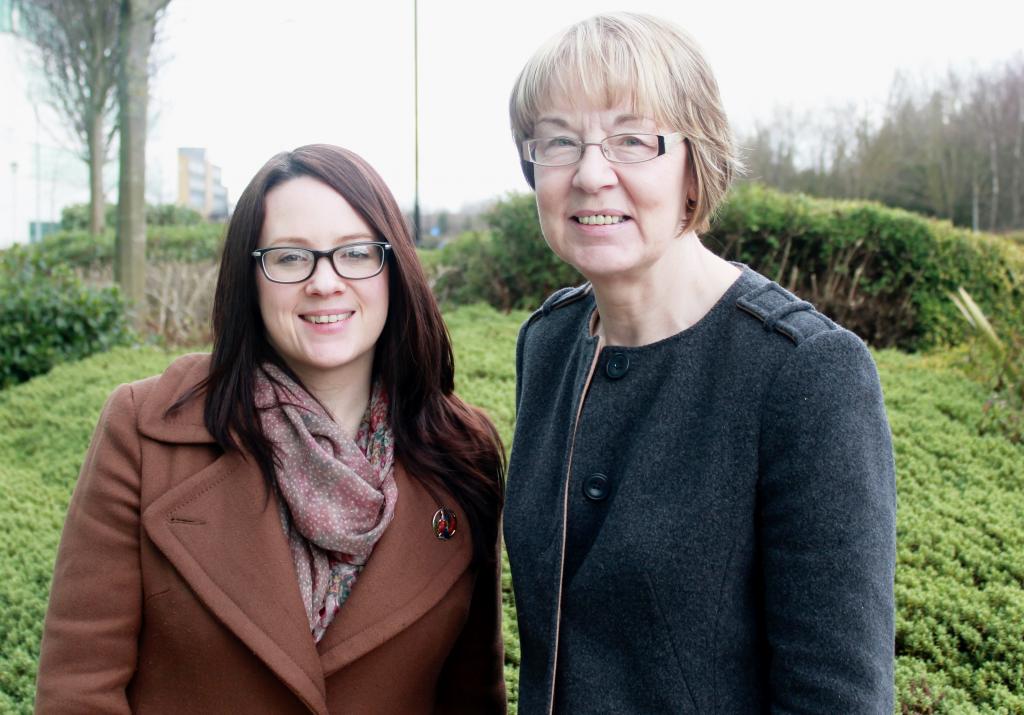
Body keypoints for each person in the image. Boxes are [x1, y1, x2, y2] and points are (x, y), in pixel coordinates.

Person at [503, 13, 896, 714]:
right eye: (559, 142)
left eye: (632, 139)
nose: (592, 174)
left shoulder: (805, 374)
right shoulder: (548, 342)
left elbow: (835, 696)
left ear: (695, 164)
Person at [35, 144, 506, 714]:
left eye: (355, 253)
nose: (325, 282)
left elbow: (472, 696)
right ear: (250, 276)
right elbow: (79, 690)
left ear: (394, 268)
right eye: (289, 258)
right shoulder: (142, 433)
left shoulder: (460, 452)